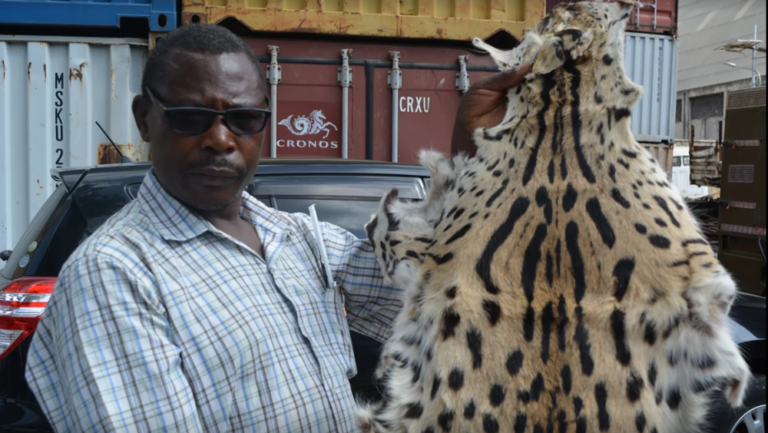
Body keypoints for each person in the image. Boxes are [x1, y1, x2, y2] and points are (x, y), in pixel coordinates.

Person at [25, 24, 530, 432]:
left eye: (244, 119)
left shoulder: (292, 236)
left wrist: (475, 150)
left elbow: (425, 274)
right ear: (144, 118)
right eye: (190, 118)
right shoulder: (113, 273)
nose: (221, 140)